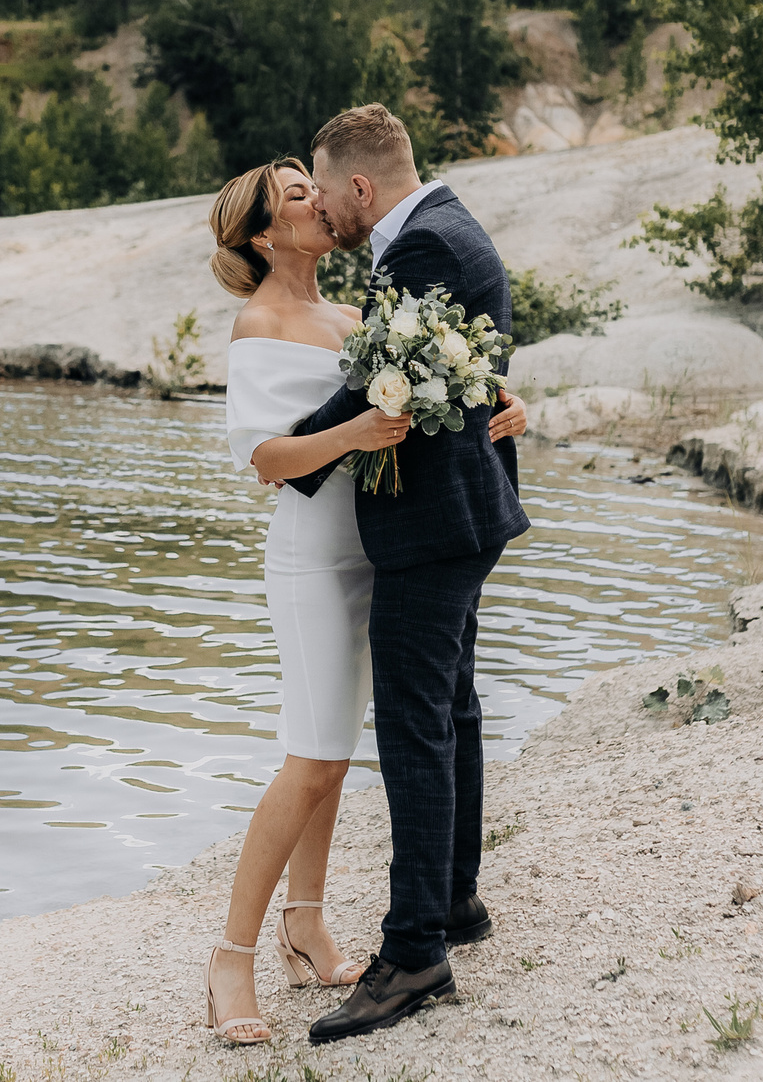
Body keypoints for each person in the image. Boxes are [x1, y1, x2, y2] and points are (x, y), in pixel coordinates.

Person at [203, 156, 527, 1047]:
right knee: (312, 754)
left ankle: (305, 926)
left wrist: (502, 395)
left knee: (338, 756)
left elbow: (435, 385)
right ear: (267, 233)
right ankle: (231, 958)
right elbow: (266, 459)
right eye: (295, 195)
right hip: (312, 560)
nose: (315, 200)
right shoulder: (259, 321)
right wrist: (350, 430)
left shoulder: (353, 316)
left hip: (380, 550)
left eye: (314, 184)